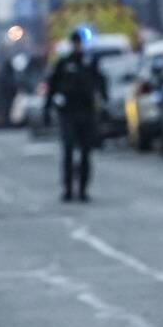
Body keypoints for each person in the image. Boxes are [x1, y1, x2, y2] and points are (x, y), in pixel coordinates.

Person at [44, 31, 108, 202]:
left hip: (86, 111)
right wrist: (48, 108)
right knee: (69, 150)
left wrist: (104, 102)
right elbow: (53, 86)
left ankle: (83, 189)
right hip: (68, 112)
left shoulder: (89, 63)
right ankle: (68, 189)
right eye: (75, 43)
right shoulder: (64, 63)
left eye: (80, 43)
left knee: (86, 152)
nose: (78, 46)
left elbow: (100, 82)